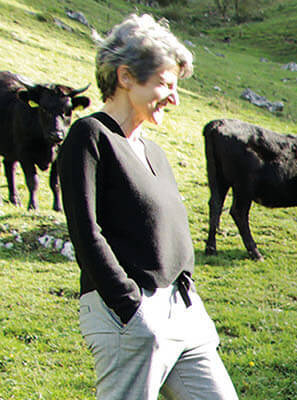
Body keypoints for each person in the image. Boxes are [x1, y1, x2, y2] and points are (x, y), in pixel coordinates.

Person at [60, 14, 239, 400]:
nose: (174, 98)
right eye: (165, 84)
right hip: (130, 314)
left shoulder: (153, 150)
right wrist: (129, 306)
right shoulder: (90, 136)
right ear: (126, 77)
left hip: (184, 312)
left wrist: (187, 297)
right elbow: (86, 232)